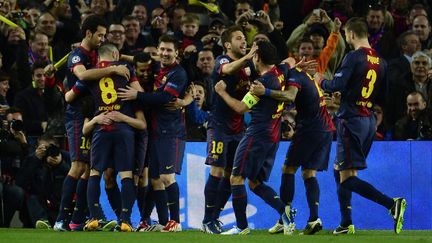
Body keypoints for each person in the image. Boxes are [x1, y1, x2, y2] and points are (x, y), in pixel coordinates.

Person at [316, 17, 406, 235]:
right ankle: (346, 223)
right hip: (368, 121)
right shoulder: (382, 61)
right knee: (341, 171)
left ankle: (391, 204)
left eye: (346, 35)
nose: (347, 39)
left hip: (351, 121)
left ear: (352, 34)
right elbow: (382, 95)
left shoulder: (354, 56)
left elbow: (335, 83)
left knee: (347, 178)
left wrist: (320, 80)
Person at [54, 15, 128, 231]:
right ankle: (61, 219)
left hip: (93, 113)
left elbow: (116, 55)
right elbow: (83, 75)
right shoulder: (77, 55)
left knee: (89, 170)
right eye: (100, 34)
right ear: (88, 33)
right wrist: (113, 69)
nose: (103, 38)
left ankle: (77, 220)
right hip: (78, 116)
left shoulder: (95, 53)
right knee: (78, 167)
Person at [214, 41, 291, 235]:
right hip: (274, 136)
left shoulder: (262, 83)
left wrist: (222, 92)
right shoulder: (281, 71)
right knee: (254, 182)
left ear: (257, 57)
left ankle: (241, 227)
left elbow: (241, 108)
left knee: (236, 178)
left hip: (256, 134)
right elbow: (290, 60)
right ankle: (285, 212)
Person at [250, 61, 335, 235]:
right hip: (326, 129)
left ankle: (284, 218)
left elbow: (289, 96)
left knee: (288, 169)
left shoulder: (295, 75)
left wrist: (265, 91)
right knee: (308, 173)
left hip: (310, 130)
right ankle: (314, 219)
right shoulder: (304, 75)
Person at [118, 34, 188, 232]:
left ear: (176, 53)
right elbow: (140, 60)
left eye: (169, 50)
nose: (165, 53)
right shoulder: (159, 68)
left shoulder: (178, 74)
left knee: (167, 178)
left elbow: (165, 97)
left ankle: (175, 222)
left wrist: (137, 95)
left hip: (171, 131)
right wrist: (121, 57)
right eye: (162, 49)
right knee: (155, 179)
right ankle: (146, 220)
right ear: (158, 51)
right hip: (156, 132)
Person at [199, 25, 257, 234]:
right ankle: (206, 220)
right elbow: (227, 70)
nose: (244, 41)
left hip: (238, 127)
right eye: (239, 38)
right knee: (216, 170)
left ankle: (214, 218)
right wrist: (249, 56)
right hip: (219, 126)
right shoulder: (223, 60)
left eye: (245, 38)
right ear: (227, 44)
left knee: (230, 175)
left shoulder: (248, 65)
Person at [16, 134, 70, 229]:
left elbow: (76, 179)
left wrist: (61, 164)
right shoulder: (31, 159)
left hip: (60, 203)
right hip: (39, 204)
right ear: (37, 148)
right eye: (44, 148)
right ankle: (43, 223)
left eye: (51, 148)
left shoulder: (65, 157)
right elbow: (20, 182)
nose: (48, 151)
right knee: (31, 198)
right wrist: (35, 159)